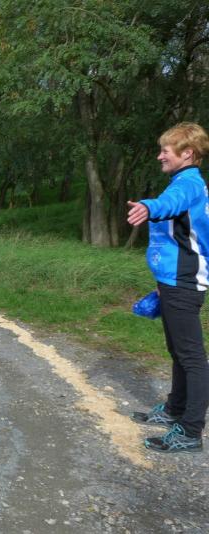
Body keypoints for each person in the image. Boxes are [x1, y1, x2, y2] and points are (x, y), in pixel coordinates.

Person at [127, 122, 209, 453]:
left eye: (165, 151)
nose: (160, 156)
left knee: (192, 357)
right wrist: (162, 282)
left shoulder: (188, 184)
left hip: (184, 282)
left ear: (187, 153)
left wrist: (149, 207)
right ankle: (175, 409)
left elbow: (170, 204)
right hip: (174, 281)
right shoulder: (183, 182)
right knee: (178, 351)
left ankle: (190, 431)